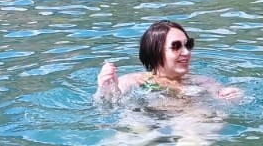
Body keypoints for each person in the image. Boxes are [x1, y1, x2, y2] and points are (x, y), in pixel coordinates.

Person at [96, 19, 240, 106]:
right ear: (155, 52)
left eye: (188, 45)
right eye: (176, 46)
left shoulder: (203, 82)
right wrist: (106, 89)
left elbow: (223, 100)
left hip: (189, 126)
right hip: (146, 124)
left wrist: (232, 96)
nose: (186, 52)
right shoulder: (134, 81)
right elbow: (108, 104)